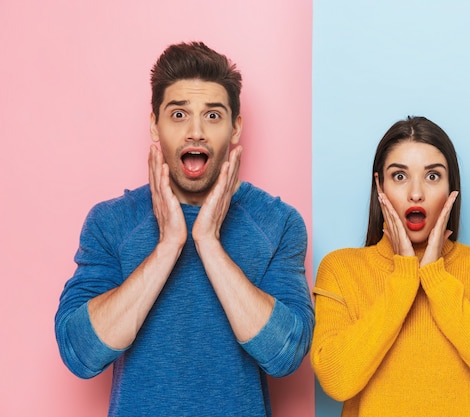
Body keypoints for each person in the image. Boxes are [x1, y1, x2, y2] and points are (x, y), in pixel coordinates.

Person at [54, 41, 314, 417]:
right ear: (154, 126)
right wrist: (168, 245)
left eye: (212, 116)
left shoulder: (278, 223)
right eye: (178, 115)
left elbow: (285, 355)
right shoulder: (111, 221)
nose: (196, 132)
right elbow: (81, 353)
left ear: (235, 126)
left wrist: (208, 242)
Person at [310, 116, 470, 416]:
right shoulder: (341, 269)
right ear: (380, 188)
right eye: (399, 176)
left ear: (452, 188)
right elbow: (338, 381)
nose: (416, 193)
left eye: (432, 176)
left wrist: (435, 277)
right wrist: (404, 277)